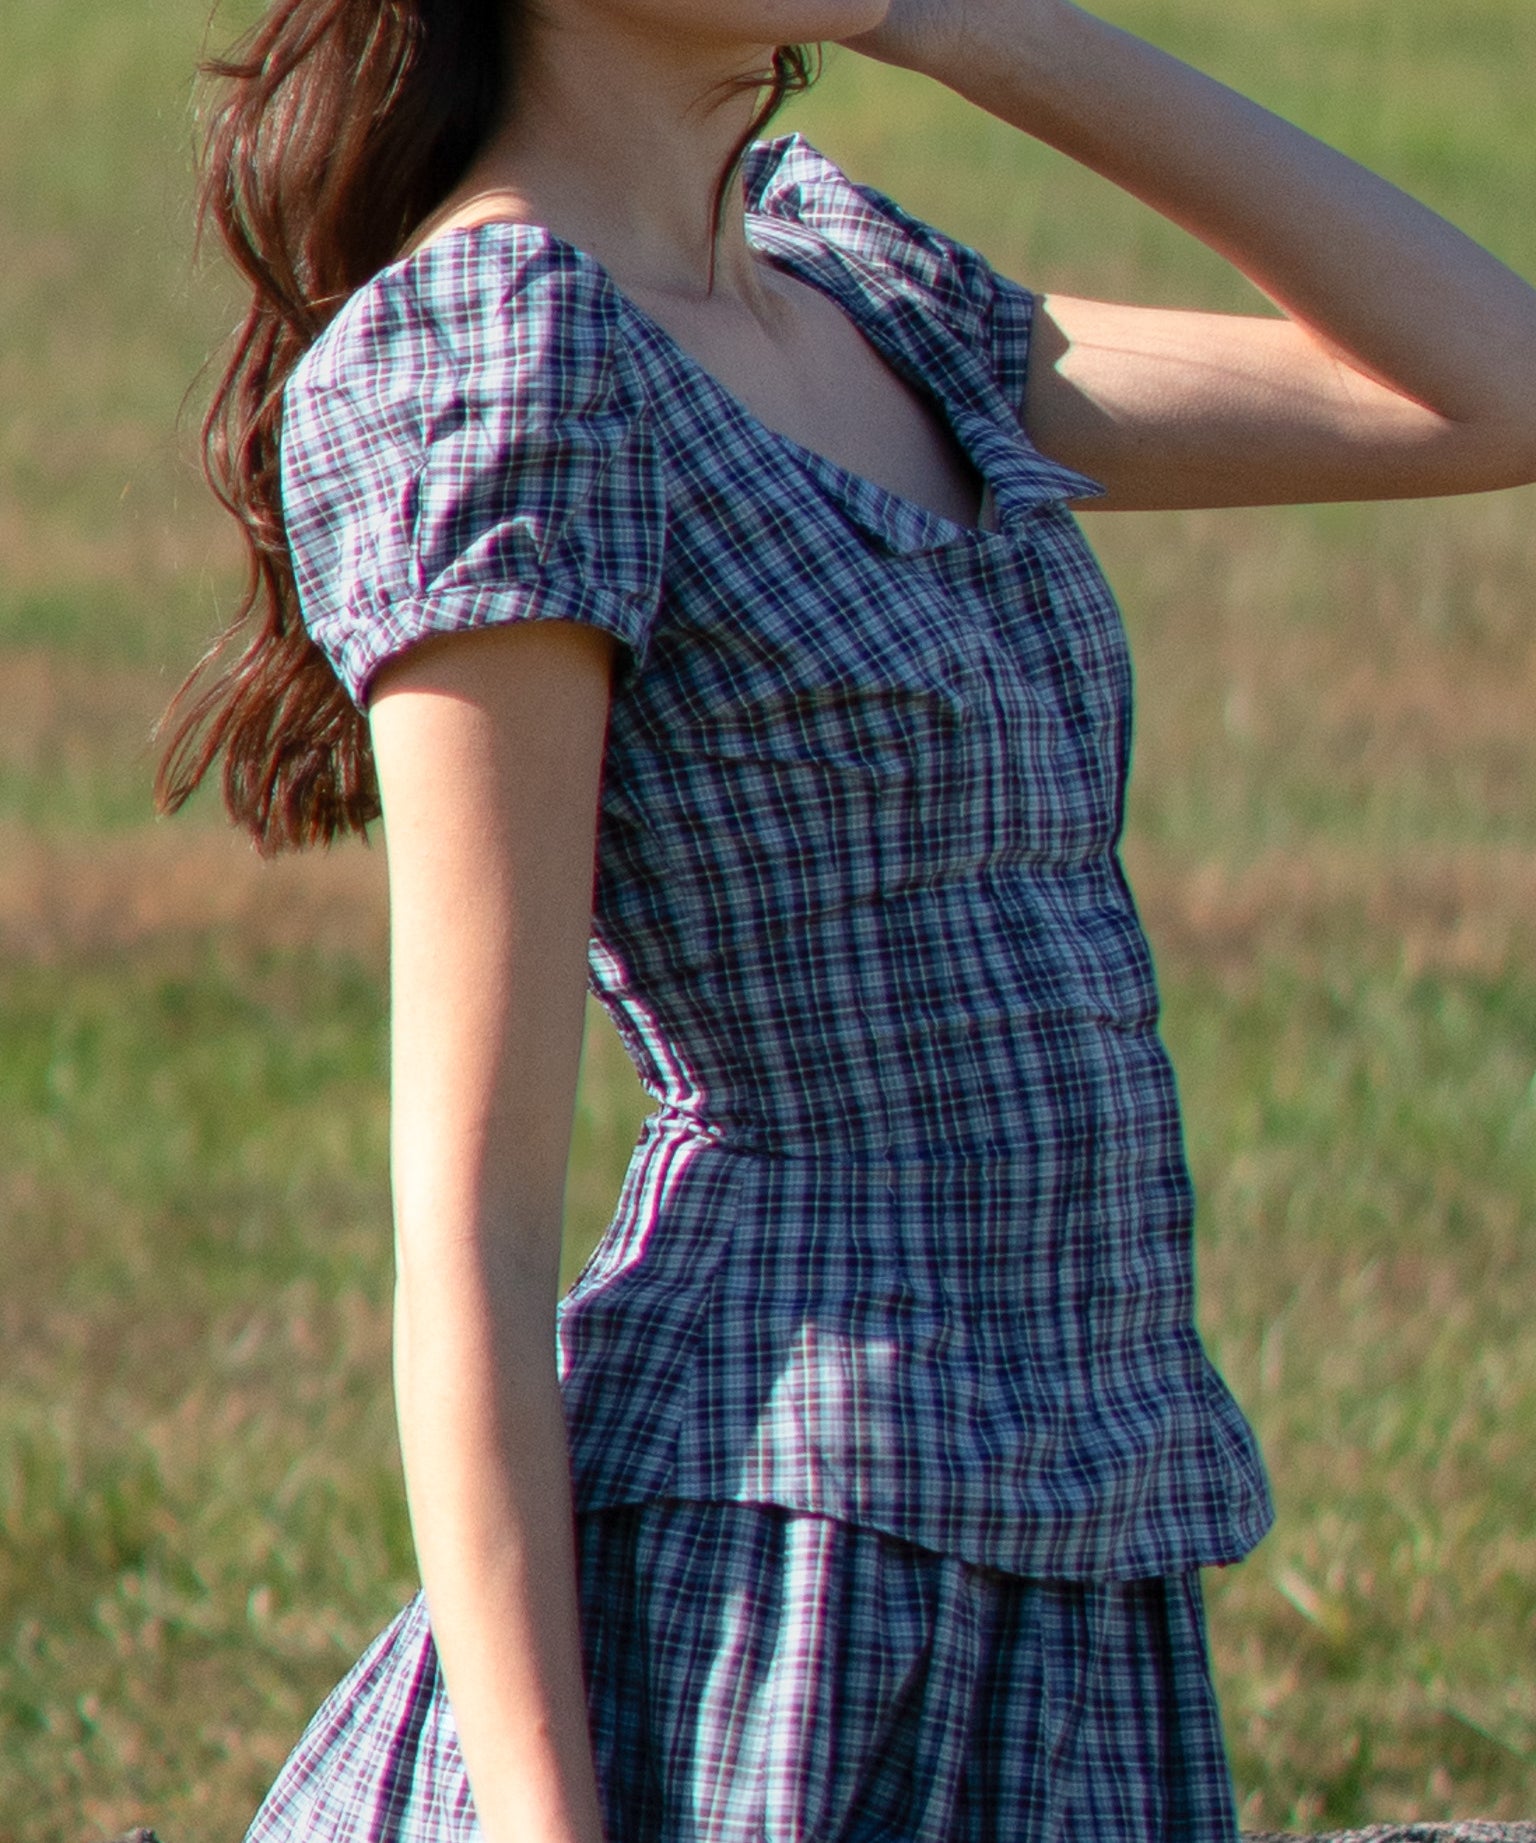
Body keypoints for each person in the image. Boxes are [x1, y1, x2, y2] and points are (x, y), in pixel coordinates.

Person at [157, 0, 1536, 1837]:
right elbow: (472, 1239)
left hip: (1085, 1543)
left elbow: (1487, 388)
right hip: (785, 1580)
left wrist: (977, 28)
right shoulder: (501, 354)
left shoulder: (864, 291)